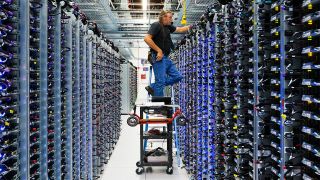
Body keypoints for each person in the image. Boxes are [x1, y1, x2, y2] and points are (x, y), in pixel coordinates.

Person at [144, 10, 192, 97]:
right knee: (160, 82)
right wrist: (159, 50)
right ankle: (158, 106)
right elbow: (147, 39)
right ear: (164, 17)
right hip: (158, 58)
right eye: (170, 17)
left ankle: (152, 87)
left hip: (166, 58)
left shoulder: (168, 27)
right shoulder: (156, 25)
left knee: (178, 77)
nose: (171, 19)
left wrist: (192, 26)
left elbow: (180, 29)